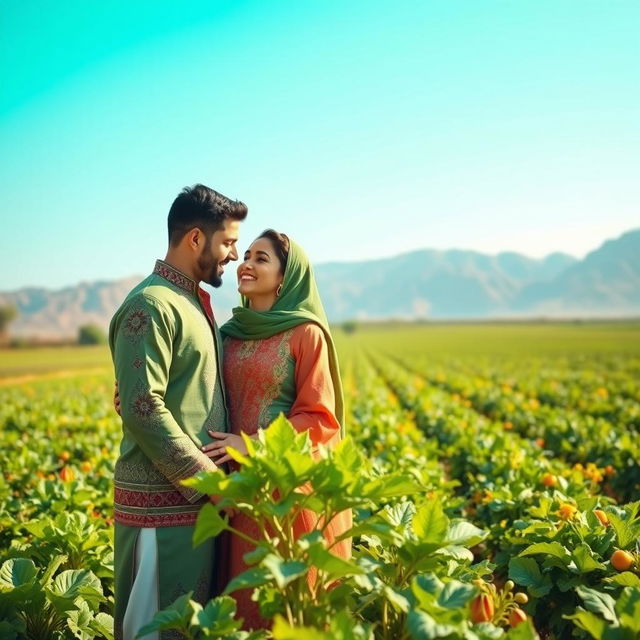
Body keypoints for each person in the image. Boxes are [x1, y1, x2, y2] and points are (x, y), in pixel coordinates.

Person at [109, 184, 247, 640]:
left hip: (193, 504)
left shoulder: (189, 302)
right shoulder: (151, 305)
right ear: (194, 239)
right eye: (227, 242)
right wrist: (207, 479)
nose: (234, 254)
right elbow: (142, 407)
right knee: (154, 630)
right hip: (159, 509)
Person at [200, 229, 352, 630]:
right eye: (245, 255)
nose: (246, 263)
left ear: (286, 277)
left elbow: (320, 417)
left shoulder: (306, 334)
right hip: (237, 485)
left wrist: (253, 445)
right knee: (240, 600)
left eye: (261, 258)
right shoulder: (227, 335)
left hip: (285, 485)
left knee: (286, 605)